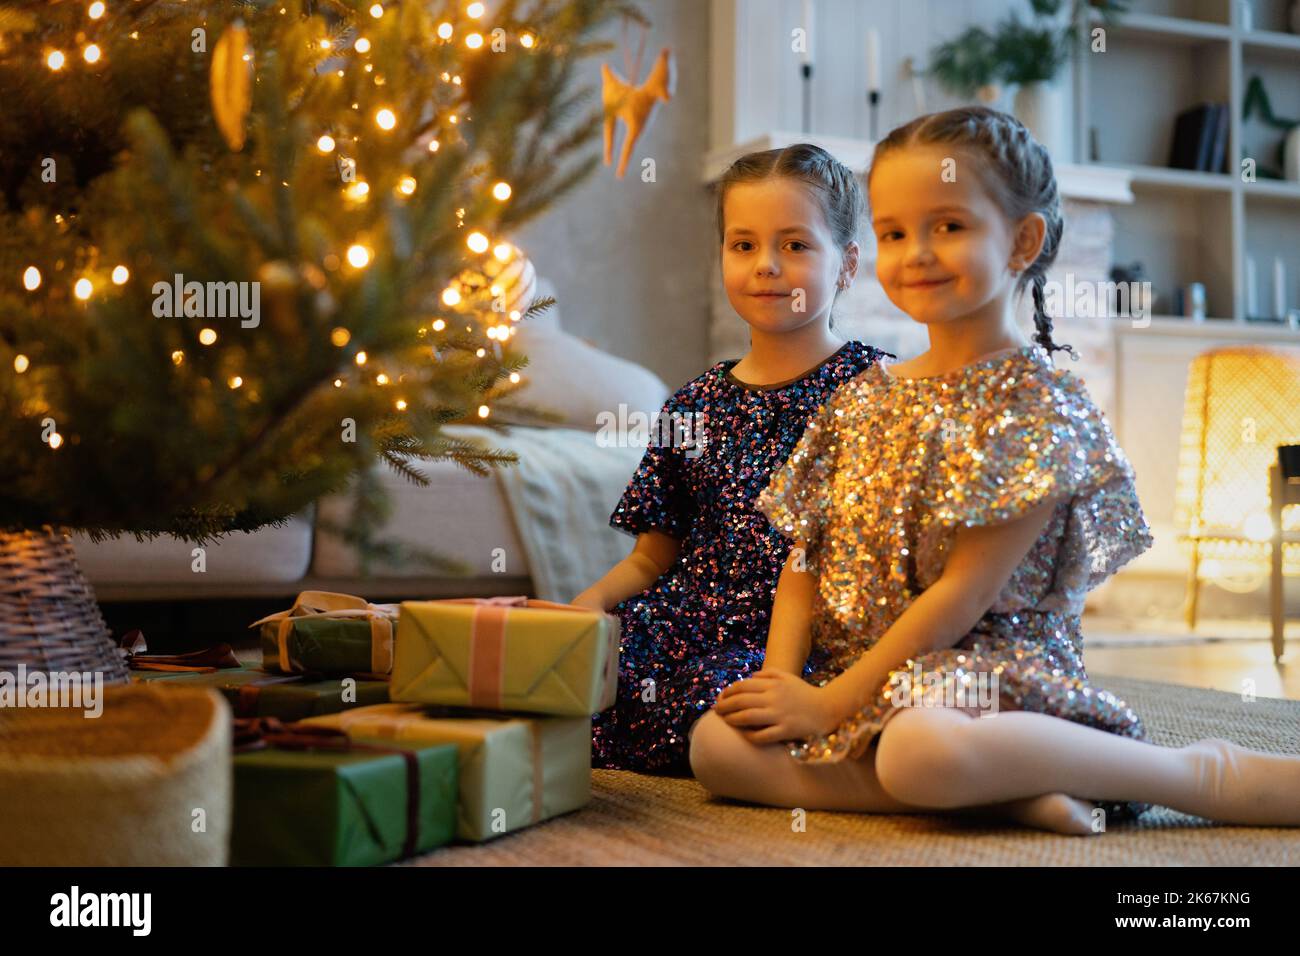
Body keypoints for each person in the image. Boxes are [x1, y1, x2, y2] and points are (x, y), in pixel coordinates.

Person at [689, 106, 1300, 834]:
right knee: (715, 747)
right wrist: (784, 680)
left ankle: (1192, 771)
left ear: (1022, 240)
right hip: (868, 673)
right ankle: (1011, 791)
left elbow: (963, 592)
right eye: (892, 232)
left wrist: (829, 706)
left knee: (919, 750)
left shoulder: (1036, 402)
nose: (915, 253)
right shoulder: (863, 395)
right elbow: (804, 553)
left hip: (984, 673)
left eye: (948, 226)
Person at [575, 144, 889, 773]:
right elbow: (652, 556)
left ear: (848, 264)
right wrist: (583, 608)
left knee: (735, 706)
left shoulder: (875, 389)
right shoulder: (693, 403)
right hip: (687, 618)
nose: (766, 266)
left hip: (805, 636)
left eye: (796, 246)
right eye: (743, 245)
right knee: (588, 676)